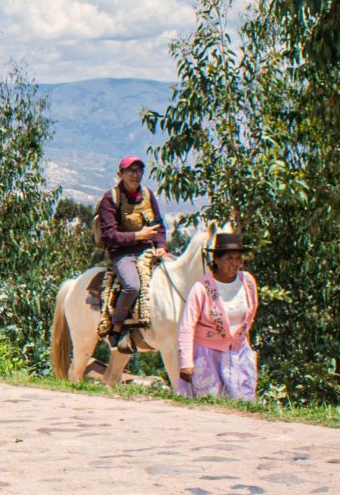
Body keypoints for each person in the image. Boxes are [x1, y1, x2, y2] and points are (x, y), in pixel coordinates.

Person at [95, 155, 168, 350]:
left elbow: (159, 224)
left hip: (149, 250)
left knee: (178, 274)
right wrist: (138, 236)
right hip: (123, 253)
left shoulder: (147, 194)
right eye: (130, 171)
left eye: (138, 171)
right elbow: (109, 235)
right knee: (132, 286)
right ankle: (117, 326)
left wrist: (161, 245)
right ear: (121, 174)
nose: (135, 175)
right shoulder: (111, 199)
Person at [178, 230, 259, 399]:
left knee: (243, 404)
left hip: (239, 354)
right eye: (229, 258)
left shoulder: (248, 282)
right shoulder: (201, 288)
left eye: (238, 259)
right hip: (208, 356)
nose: (235, 264)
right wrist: (186, 362)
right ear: (216, 259)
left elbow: (249, 316)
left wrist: (244, 343)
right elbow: (187, 326)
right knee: (211, 404)